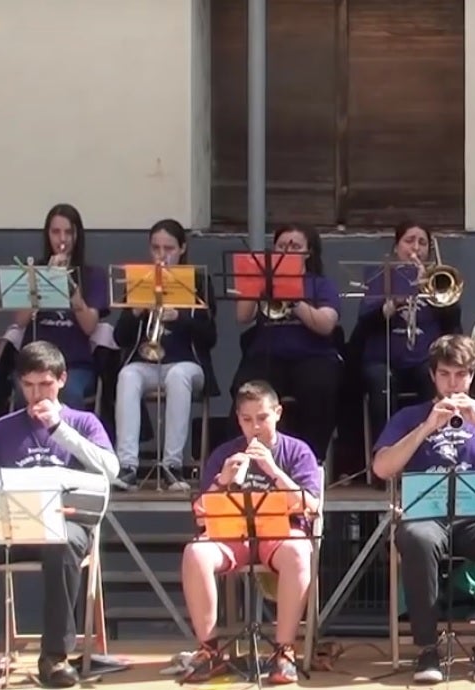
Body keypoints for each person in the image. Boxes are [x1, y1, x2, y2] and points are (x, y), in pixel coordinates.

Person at [0, 341, 118, 689]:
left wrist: (60, 428)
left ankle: (55, 656)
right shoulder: (2, 428)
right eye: (28, 385)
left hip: (66, 526)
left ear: (62, 380)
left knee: (61, 545)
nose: (36, 394)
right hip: (12, 527)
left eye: (45, 384)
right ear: (19, 384)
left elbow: (111, 470)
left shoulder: (84, 422)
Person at [371, 335, 475, 685]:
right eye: (445, 374)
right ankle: (427, 649)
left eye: (461, 375)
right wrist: (427, 426)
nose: (453, 383)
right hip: (425, 515)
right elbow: (382, 468)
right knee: (416, 539)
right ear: (433, 375)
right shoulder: (410, 415)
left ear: (472, 376)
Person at [180, 380, 323, 685]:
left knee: (299, 552)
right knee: (195, 552)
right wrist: (222, 480)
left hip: (281, 534)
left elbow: (310, 505)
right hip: (234, 534)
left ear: (278, 413)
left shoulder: (297, 452)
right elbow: (200, 512)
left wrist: (273, 471)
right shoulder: (224, 453)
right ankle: (209, 651)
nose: (254, 427)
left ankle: (284, 652)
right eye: (246, 420)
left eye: (262, 418)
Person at [113, 219, 218, 491]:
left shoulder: (198, 282)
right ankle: (127, 466)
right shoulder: (141, 281)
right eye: (156, 248)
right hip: (147, 363)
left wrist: (180, 318)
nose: (162, 255)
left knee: (178, 376)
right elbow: (120, 339)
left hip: (188, 365)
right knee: (127, 375)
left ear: (182, 248)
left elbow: (210, 337)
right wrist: (135, 311)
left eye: (168, 248)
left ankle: (173, 466)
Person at [231, 224, 343, 457]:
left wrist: (295, 302)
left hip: (312, 355)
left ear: (308, 252)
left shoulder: (320, 285)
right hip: (268, 354)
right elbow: (242, 317)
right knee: (246, 389)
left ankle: (312, 458)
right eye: (281, 245)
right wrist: (254, 284)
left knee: (319, 388)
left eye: (295, 246)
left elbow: (326, 324)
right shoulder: (265, 280)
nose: (286, 250)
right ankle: (254, 454)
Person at [0, 203, 110, 411]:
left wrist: (71, 288)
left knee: (69, 394)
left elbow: (89, 326)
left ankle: (68, 444)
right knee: (27, 394)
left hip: (74, 364)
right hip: (34, 361)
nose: (62, 239)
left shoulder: (93, 275)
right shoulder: (33, 269)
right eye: (56, 232)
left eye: (69, 232)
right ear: (47, 235)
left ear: (78, 235)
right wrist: (44, 278)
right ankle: (30, 444)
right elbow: (20, 320)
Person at [359, 221, 465, 436]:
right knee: (381, 384)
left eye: (422, 243)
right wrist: (394, 302)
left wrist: (430, 290)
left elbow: (452, 320)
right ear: (396, 247)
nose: (416, 247)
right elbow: (366, 320)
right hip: (384, 359)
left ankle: (434, 445)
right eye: (409, 241)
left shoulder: (437, 279)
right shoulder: (380, 276)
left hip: (423, 358)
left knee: (434, 378)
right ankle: (385, 452)